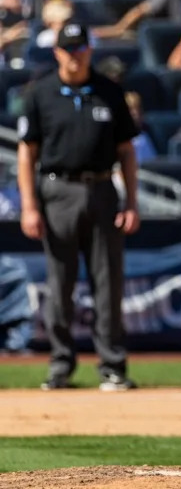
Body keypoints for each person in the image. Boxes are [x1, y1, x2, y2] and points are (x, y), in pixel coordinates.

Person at [16, 22, 139, 391]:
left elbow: (127, 153)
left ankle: (112, 365)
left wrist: (131, 201)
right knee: (60, 283)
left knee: (108, 282)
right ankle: (60, 364)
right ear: (57, 53)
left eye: (80, 48)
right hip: (57, 191)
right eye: (68, 49)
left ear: (89, 50)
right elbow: (27, 153)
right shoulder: (40, 93)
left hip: (101, 189)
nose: (74, 55)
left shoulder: (109, 92)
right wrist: (29, 206)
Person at [124, 92, 157, 165]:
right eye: (131, 109)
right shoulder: (115, 141)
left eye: (138, 108)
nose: (136, 113)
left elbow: (152, 167)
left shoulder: (145, 137)